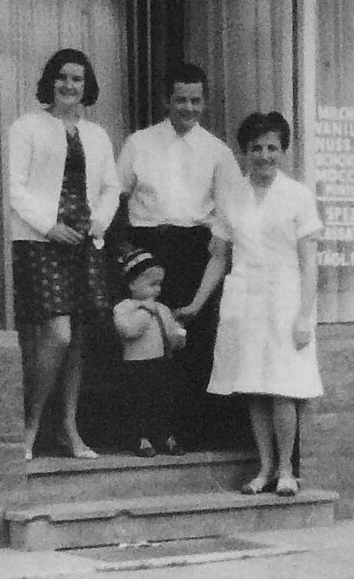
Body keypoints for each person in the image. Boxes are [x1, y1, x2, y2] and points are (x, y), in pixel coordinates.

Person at [179, 111, 323, 497]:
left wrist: (305, 315)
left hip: (285, 298)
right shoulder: (232, 195)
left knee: (283, 386)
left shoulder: (298, 196)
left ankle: (288, 470)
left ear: (283, 151)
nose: (264, 155)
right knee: (253, 387)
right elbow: (218, 256)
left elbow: (309, 260)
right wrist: (196, 303)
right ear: (244, 152)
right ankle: (264, 468)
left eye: (272, 147)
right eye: (256, 148)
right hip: (244, 296)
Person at [115, 62, 245, 452]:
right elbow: (116, 198)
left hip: (194, 252)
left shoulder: (217, 152)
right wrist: (123, 251)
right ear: (165, 100)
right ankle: (141, 432)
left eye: (196, 100)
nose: (188, 108)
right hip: (146, 250)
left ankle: (182, 432)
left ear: (204, 101)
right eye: (180, 100)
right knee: (144, 344)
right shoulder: (140, 143)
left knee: (188, 341)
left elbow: (232, 215)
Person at [9, 48, 121, 461]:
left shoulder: (97, 135)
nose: (69, 86)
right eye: (62, 78)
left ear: (86, 86)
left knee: (76, 342)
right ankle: (31, 425)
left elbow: (111, 187)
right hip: (42, 243)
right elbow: (14, 186)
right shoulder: (28, 127)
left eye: (77, 79)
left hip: (84, 245)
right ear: (50, 82)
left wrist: (100, 222)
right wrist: (48, 225)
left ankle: (69, 429)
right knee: (57, 334)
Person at [110, 247, 187, 457]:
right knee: (139, 401)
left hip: (160, 361)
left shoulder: (161, 308)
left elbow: (170, 332)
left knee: (161, 399)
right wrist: (145, 311)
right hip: (136, 364)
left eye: (160, 285)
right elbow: (129, 331)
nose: (157, 290)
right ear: (132, 283)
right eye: (152, 284)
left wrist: (178, 335)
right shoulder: (125, 308)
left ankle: (163, 435)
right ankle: (141, 438)